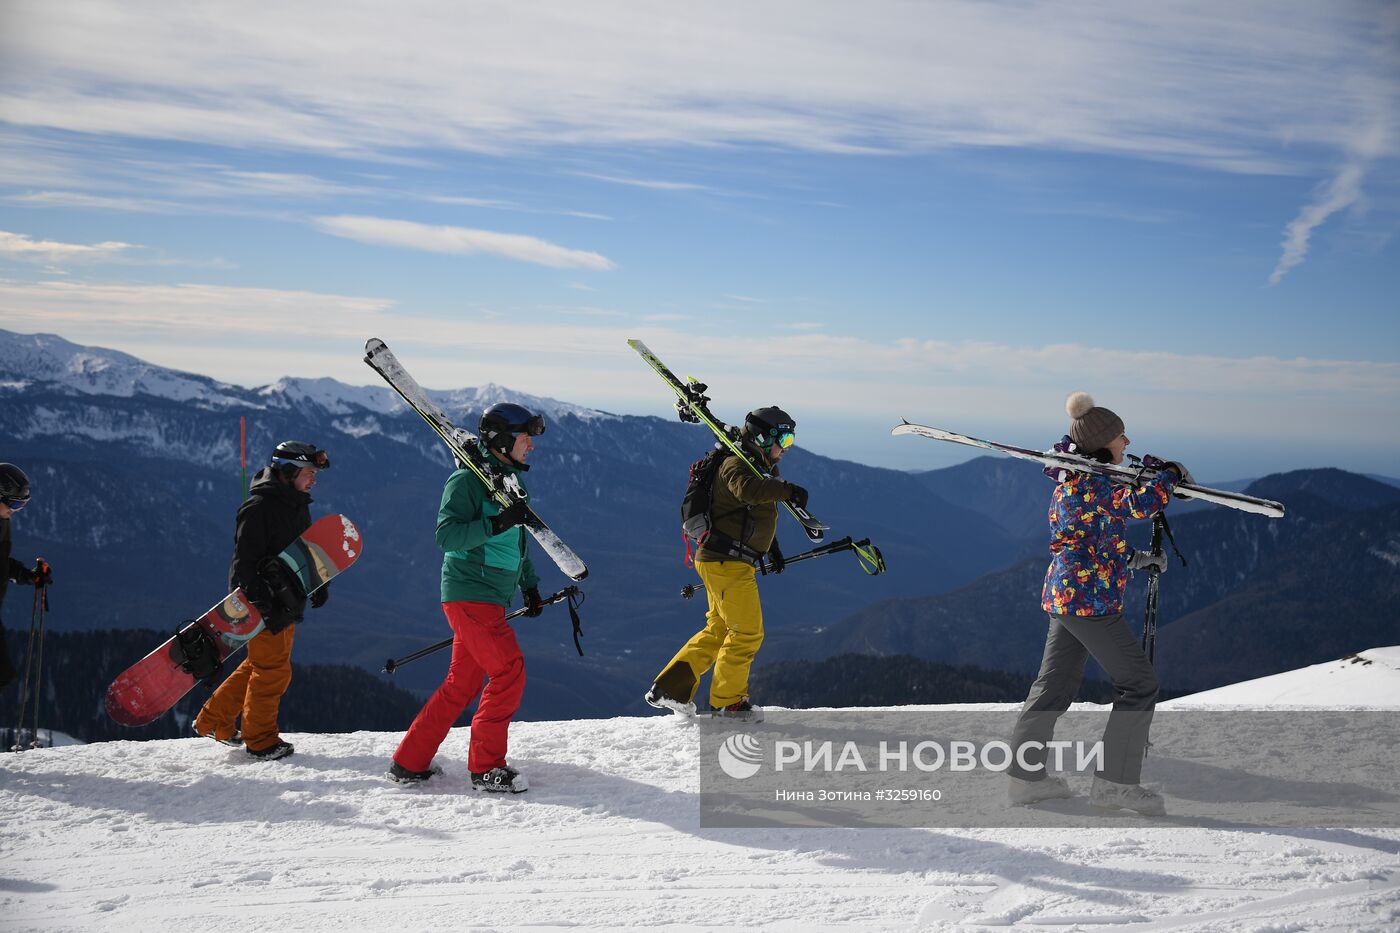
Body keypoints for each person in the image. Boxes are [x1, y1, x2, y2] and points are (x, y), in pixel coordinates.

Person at [1007, 392, 1188, 815]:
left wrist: (1139, 559)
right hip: (1088, 603)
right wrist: (1169, 475)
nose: (1127, 441)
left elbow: (1092, 544)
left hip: (1067, 594)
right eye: (1120, 436)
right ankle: (1115, 785)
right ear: (1103, 442)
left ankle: (1024, 780)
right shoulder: (1093, 483)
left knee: (1053, 687)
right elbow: (1140, 504)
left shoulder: (1076, 481)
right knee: (1139, 685)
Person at [387, 402, 547, 792]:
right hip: (469, 594)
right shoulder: (465, 482)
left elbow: (517, 540)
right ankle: (486, 767)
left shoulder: (510, 483)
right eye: (525, 438)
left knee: (462, 684)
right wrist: (496, 521)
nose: (532, 446)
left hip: (490, 596)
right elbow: (448, 536)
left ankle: (409, 762)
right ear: (503, 440)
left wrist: (529, 582)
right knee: (509, 670)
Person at [645, 406, 809, 723]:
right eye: (784, 440)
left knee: (719, 629)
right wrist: (788, 491)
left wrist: (769, 546)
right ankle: (728, 702)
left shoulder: (754, 465)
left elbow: (748, 512)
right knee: (747, 633)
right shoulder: (737, 463)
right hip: (726, 561)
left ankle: (671, 688)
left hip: (726, 559)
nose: (786, 449)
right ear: (763, 438)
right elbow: (746, 491)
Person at [193, 441, 332, 760]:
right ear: (288, 472)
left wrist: (317, 581)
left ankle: (215, 721)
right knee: (273, 671)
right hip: (263, 603)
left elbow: (303, 549)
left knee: (261, 665)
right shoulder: (258, 508)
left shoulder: (297, 504)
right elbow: (243, 563)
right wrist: (259, 602)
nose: (314, 480)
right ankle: (260, 740)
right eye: (309, 473)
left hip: (286, 600)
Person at [0, 463, 49, 692]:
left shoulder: (2, 522)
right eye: (14, 503)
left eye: (22, 504)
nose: (15, 510)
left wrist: (27, 575)